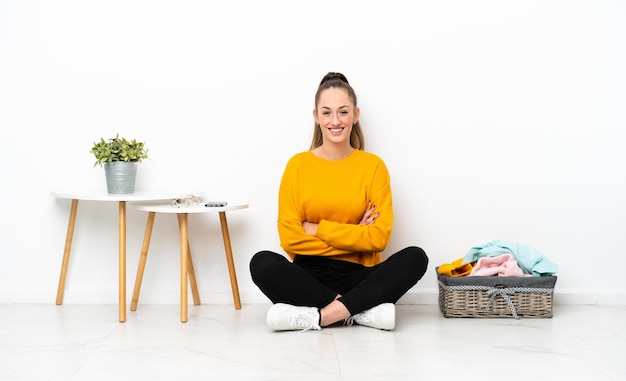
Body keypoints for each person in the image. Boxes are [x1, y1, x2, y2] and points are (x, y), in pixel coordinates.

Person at [249, 72, 429, 331]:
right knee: (262, 263)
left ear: (355, 115)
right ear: (316, 117)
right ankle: (357, 311)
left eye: (343, 112)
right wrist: (357, 235)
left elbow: (378, 239)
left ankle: (319, 316)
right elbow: (289, 238)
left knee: (415, 258)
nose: (335, 121)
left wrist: (317, 229)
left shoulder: (373, 167)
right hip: (307, 276)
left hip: (359, 276)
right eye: (327, 112)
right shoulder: (297, 165)